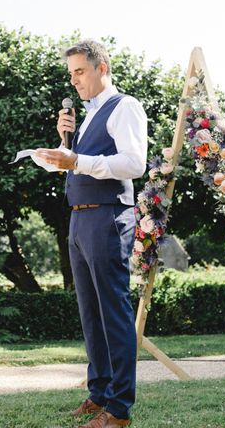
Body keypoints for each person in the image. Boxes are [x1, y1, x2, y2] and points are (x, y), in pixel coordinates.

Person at [36, 40, 147, 428]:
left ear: (102, 68)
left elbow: (134, 163)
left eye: (80, 72)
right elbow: (77, 165)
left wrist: (78, 158)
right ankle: (99, 392)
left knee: (113, 312)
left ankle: (118, 409)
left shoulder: (125, 107)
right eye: (71, 74)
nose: (74, 80)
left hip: (108, 217)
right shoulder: (86, 116)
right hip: (80, 220)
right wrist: (62, 148)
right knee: (90, 313)